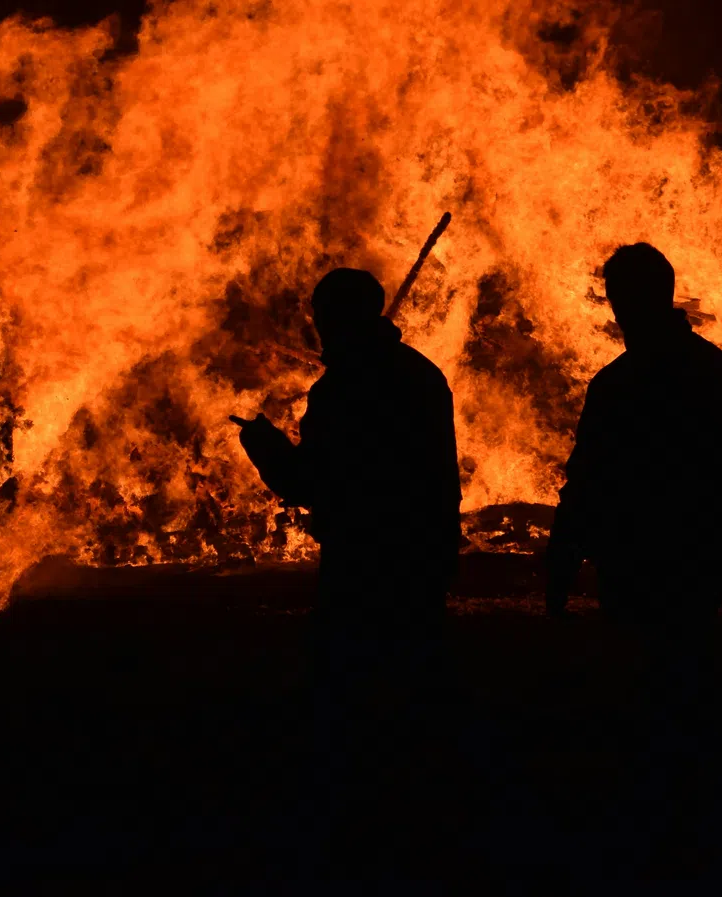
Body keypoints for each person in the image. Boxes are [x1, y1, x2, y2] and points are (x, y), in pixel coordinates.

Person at [543, 242, 722, 854]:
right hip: (683, 568)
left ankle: (653, 832)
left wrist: (565, 560)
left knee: (646, 698)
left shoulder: (619, 385)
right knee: (684, 692)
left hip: (637, 568)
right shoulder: (713, 373)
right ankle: (698, 829)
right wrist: (716, 553)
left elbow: (586, 484)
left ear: (623, 301)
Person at [232, 266, 462, 862]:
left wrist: (264, 445)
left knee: (347, 692)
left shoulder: (344, 390)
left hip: (364, 561)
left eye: (322, 316)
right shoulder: (422, 375)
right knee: (415, 686)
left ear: (334, 319)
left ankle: (353, 831)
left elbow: (312, 482)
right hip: (422, 553)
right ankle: (427, 822)